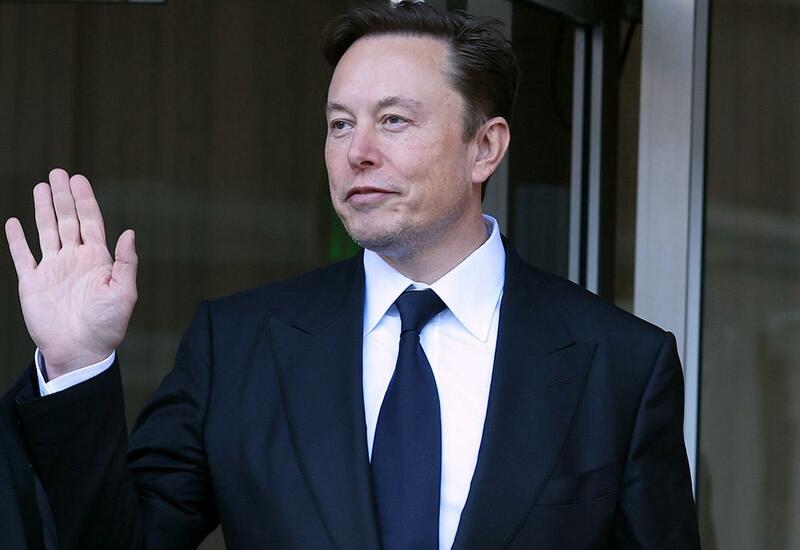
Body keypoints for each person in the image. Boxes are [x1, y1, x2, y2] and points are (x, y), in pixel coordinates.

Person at [4, 2, 701, 549]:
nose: (357, 152)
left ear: (485, 147)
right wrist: (77, 364)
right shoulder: (238, 344)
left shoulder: (620, 363)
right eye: (340, 124)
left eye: (393, 120)